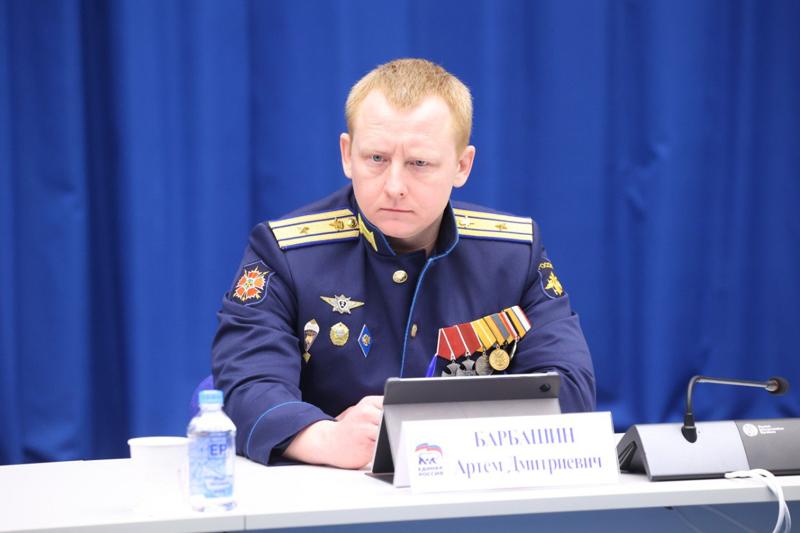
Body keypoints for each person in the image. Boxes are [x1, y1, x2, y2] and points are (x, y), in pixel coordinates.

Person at [211, 58, 595, 470]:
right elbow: (245, 384)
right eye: (376, 158)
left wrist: (445, 437)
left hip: (471, 485)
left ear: (462, 166)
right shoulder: (286, 251)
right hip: (332, 487)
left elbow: (569, 389)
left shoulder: (513, 253)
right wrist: (323, 437)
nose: (394, 186)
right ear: (347, 154)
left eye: (419, 163)